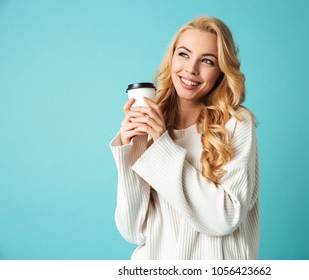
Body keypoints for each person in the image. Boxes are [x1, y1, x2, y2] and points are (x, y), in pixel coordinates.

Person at [110, 16, 259, 260]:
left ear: (221, 71)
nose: (191, 69)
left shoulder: (236, 123)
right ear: (171, 59)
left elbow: (224, 218)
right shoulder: (149, 123)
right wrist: (130, 152)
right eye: (184, 54)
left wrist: (161, 144)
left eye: (207, 61)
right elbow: (132, 231)